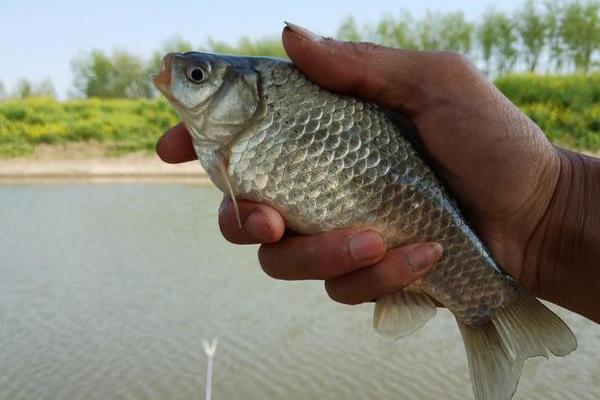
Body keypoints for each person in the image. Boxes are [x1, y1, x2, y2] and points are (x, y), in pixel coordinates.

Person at [156, 24, 600, 324]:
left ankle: (488, 302)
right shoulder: (222, 136)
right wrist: (553, 207)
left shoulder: (257, 108)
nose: (180, 75)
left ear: (245, 92)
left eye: (197, 74)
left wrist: (551, 202)